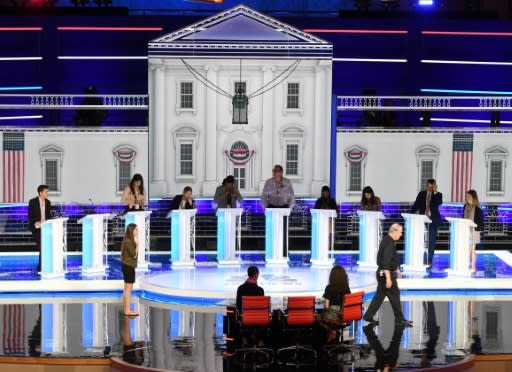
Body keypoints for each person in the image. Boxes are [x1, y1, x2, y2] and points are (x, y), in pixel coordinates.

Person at [363, 223, 412, 327]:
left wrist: (397, 270)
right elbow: (385, 262)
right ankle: (399, 319)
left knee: (379, 296)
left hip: (383, 274)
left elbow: (392, 258)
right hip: (385, 275)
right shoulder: (389, 243)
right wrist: (389, 278)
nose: (401, 234)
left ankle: (368, 316)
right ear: (394, 231)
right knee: (395, 295)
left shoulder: (389, 241)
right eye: (400, 232)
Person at [411, 179, 443, 268]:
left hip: (433, 221)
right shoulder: (421, 194)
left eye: (431, 187)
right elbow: (416, 205)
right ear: (426, 186)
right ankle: (419, 260)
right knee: (420, 240)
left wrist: (435, 192)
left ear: (434, 186)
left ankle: (429, 261)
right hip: (422, 220)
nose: (429, 188)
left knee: (431, 242)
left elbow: (439, 202)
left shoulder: (438, 195)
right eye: (428, 186)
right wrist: (411, 214)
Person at [318, 265, 351, 343]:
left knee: (317, 317)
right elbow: (348, 302)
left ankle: (332, 331)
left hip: (332, 315)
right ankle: (333, 331)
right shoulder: (346, 288)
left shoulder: (329, 288)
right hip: (344, 316)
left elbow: (326, 306)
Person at [28, 185, 52, 272]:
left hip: (46, 228)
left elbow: (49, 216)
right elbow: (30, 216)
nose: (47, 193)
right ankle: (41, 267)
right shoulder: (32, 201)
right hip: (37, 228)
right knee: (42, 246)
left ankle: (43, 266)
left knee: (45, 247)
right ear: (40, 193)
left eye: (47, 192)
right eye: (46, 192)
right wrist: (35, 222)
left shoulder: (48, 202)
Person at [121, 223, 139, 317]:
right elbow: (133, 254)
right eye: (136, 230)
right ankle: (127, 310)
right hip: (128, 266)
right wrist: (137, 246)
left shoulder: (128, 241)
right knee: (128, 289)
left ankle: (126, 309)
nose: (137, 231)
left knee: (127, 289)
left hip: (128, 266)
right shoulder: (128, 241)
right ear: (131, 231)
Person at [464, 190, 484, 273]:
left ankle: (473, 267)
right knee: (467, 249)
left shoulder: (478, 209)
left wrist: (474, 226)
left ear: (473, 197)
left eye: (469, 196)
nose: (467, 198)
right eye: (466, 196)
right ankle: (467, 265)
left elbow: (481, 223)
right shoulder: (465, 206)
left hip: (474, 231)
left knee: (472, 249)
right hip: (465, 230)